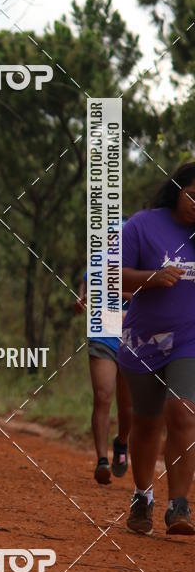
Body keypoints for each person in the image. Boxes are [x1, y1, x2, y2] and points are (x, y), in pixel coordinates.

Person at [118, 162, 195, 535]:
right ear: (178, 190)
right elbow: (111, 275)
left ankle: (179, 504)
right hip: (143, 341)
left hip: (190, 340)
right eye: (193, 194)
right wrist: (151, 278)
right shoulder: (143, 224)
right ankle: (142, 495)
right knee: (146, 423)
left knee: (182, 413)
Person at [74, 225, 132, 485]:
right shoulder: (95, 265)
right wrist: (81, 301)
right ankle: (101, 460)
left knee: (128, 405)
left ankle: (121, 443)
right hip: (102, 337)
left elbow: (148, 295)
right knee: (103, 396)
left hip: (133, 341)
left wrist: (118, 290)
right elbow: (83, 291)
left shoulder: (138, 266)